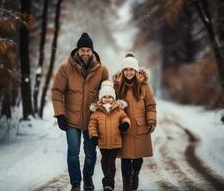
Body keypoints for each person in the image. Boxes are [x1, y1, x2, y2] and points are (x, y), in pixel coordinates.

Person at [51, 32, 109, 191]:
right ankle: (75, 182)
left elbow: (108, 94)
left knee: (91, 154)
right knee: (73, 152)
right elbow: (57, 91)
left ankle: (88, 177)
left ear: (92, 51)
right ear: (77, 50)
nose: (85, 53)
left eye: (88, 50)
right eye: (82, 50)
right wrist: (60, 114)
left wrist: (104, 115)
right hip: (71, 119)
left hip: (92, 120)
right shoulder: (65, 68)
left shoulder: (102, 70)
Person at [113, 52, 157, 191]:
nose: (128, 72)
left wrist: (151, 120)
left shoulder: (144, 86)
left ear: (136, 70)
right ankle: (127, 183)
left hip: (140, 126)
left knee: (138, 157)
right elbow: (112, 104)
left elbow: (151, 105)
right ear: (122, 70)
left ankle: (135, 174)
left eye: (131, 69)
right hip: (124, 127)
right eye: (126, 69)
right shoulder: (117, 85)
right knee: (125, 157)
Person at [88, 80, 131, 191]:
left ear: (114, 98)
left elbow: (125, 117)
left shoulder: (118, 110)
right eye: (104, 97)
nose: (107, 99)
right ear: (100, 98)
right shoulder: (96, 112)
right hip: (102, 142)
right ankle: (108, 179)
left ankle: (108, 184)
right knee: (104, 162)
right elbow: (92, 125)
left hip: (115, 142)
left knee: (111, 163)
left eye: (110, 97)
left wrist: (125, 124)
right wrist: (93, 135)